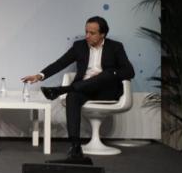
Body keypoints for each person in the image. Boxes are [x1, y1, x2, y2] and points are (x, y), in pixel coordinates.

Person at [21, 16, 134, 164]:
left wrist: (111, 74)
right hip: (84, 89)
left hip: (105, 91)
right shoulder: (79, 46)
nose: (87, 36)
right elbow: (60, 63)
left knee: (107, 73)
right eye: (86, 32)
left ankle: (62, 90)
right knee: (72, 97)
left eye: (92, 33)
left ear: (103, 34)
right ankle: (75, 147)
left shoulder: (116, 47)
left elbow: (129, 71)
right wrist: (40, 75)